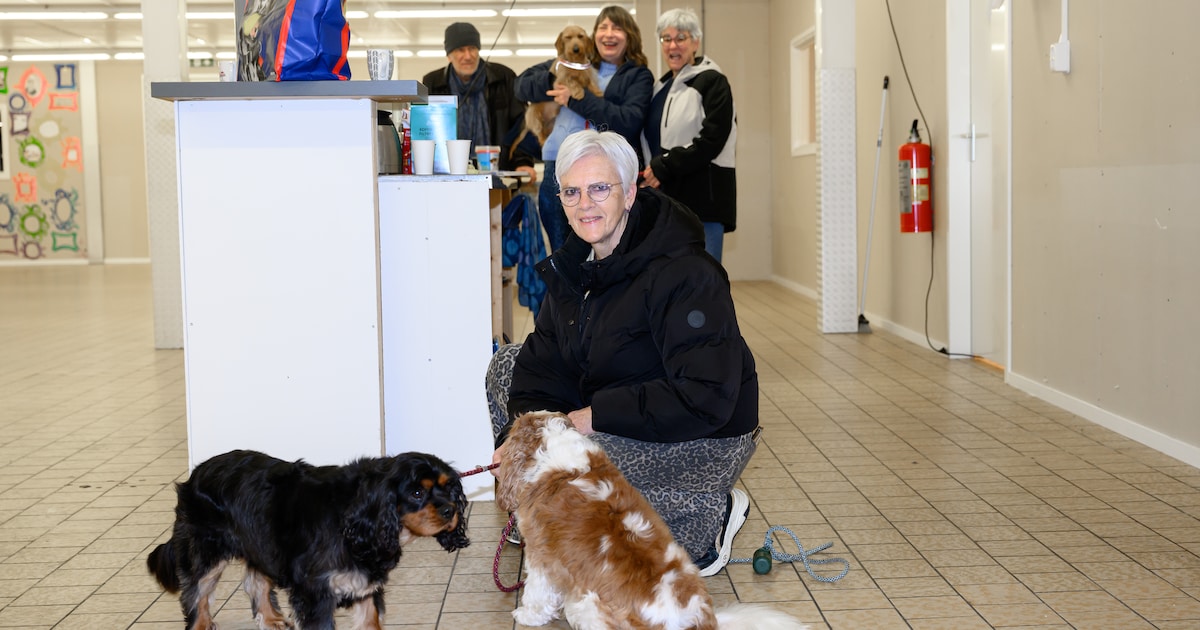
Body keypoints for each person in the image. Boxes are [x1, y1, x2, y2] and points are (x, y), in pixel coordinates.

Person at [486, 129, 759, 577]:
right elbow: (542, 365)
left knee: (586, 461)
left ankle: (704, 514)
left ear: (630, 192)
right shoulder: (576, 269)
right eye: (571, 192)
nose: (584, 204)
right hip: (617, 409)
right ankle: (548, 505)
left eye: (599, 188)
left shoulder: (686, 272)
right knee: (508, 363)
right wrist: (525, 440)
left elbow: (705, 393)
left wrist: (586, 419)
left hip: (702, 437)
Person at [514, 6, 653, 252]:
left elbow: (627, 122)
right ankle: (564, 292)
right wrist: (555, 77)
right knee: (562, 250)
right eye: (603, 27)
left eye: (617, 28)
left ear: (630, 36)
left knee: (606, 249)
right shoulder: (575, 62)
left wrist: (575, 98)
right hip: (556, 164)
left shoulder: (637, 76)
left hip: (604, 171)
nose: (609, 34)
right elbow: (520, 86)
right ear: (594, 36)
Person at [640, 8, 737, 263]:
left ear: (696, 42)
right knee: (668, 286)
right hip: (666, 203)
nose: (673, 45)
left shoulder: (713, 82)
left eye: (681, 38)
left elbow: (713, 139)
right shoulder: (658, 90)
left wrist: (663, 165)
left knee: (702, 285)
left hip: (703, 202)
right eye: (666, 38)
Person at [421, 22, 537, 180]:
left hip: (498, 174)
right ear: (449, 55)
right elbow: (425, 128)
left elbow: (523, 123)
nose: (468, 56)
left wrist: (522, 161)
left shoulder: (504, 78)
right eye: (461, 50)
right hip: (446, 174)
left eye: (472, 48)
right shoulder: (433, 83)